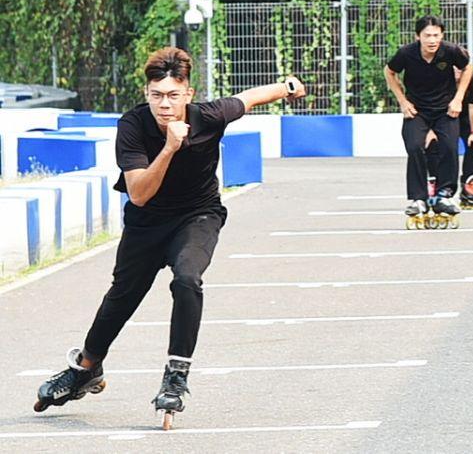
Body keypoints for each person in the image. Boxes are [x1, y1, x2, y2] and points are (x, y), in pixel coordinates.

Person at [33, 48, 305, 428]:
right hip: (147, 221)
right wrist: (170, 146)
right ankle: (86, 369)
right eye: (157, 95)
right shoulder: (132, 127)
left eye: (173, 95)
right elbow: (140, 193)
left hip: (198, 215)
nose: (165, 104)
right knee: (122, 295)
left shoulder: (209, 116)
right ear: (147, 94)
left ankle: (176, 374)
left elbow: (248, 98)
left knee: (187, 279)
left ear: (188, 95)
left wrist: (287, 86)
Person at [385, 15, 473, 223]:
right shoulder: (406, 54)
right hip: (417, 110)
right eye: (427, 36)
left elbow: (468, 67)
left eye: (436, 35)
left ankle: (444, 194)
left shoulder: (451, 51)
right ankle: (418, 199)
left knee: (450, 147)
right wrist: (402, 102)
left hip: (446, 109)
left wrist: (458, 99)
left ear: (442, 35)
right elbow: (389, 72)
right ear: (418, 37)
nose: (432, 40)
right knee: (415, 146)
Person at [425, 68, 473, 208]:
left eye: (461, 68)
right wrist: (429, 129)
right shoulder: (437, 79)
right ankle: (435, 182)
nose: (457, 71)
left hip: (465, 115)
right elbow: (428, 105)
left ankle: (468, 184)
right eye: (454, 67)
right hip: (441, 115)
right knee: (433, 143)